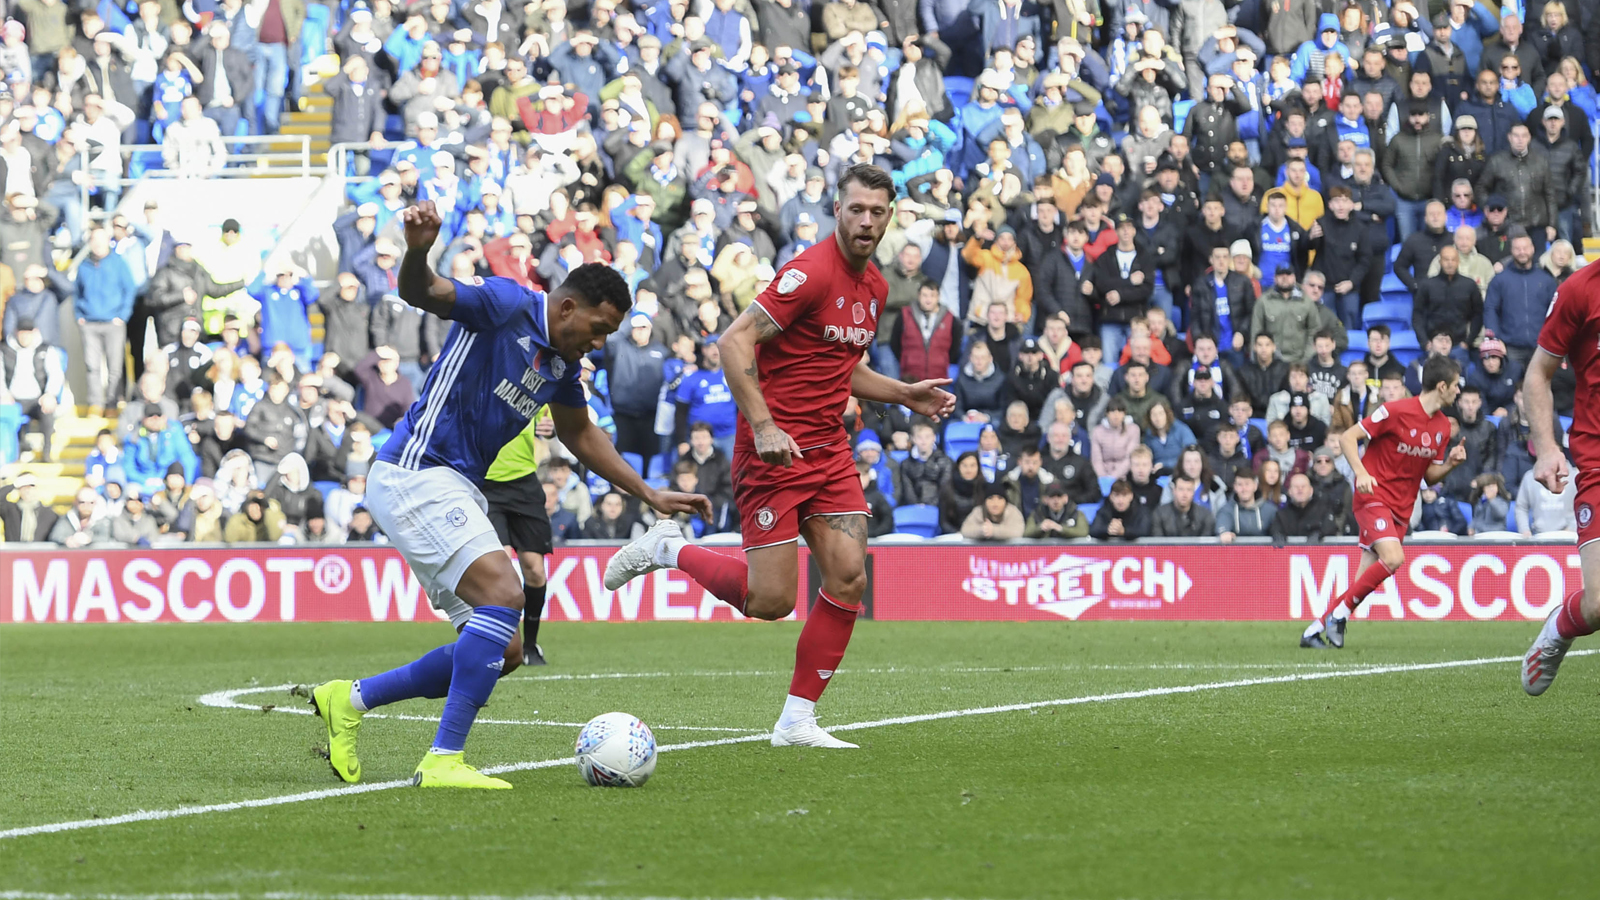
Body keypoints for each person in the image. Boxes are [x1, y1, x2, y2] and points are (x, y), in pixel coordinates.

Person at [308, 201, 708, 791]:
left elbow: (579, 434)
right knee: (505, 590)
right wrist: (418, 249)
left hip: (454, 484)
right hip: (415, 470)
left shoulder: (563, 365)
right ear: (567, 307)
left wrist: (647, 492)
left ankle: (350, 700)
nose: (597, 343)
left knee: (507, 646)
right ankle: (444, 759)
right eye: (597, 328)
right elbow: (424, 292)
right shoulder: (506, 303)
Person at [603, 165, 955, 749]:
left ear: (890, 217)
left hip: (828, 449)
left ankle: (796, 721)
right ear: (836, 212)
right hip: (775, 451)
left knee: (848, 578)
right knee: (770, 602)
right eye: (856, 209)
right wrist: (763, 425)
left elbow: (842, 366)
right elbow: (734, 341)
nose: (866, 220)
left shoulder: (876, 288)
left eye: (877, 211)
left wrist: (903, 393)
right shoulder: (809, 273)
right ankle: (668, 546)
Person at [1301, 356, 1466, 650]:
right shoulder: (1394, 410)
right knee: (1393, 558)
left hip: (1402, 507)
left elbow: (1428, 475)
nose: (1458, 391)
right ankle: (1339, 615)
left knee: (1363, 580)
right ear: (1442, 386)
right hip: (1372, 496)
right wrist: (1361, 472)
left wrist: (1451, 463)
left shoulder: (1442, 427)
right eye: (1456, 385)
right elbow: (1349, 438)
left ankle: (1313, 631)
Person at [1521, 258, 1600, 692]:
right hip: (1597, 459)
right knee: (1599, 604)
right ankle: (1560, 628)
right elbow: (1538, 373)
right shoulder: (1580, 289)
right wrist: (1548, 448)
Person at [479, 414, 557, 668]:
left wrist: (551, 428)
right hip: (486, 485)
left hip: (524, 486)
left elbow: (551, 421)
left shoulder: (529, 386)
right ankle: (502, 644)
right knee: (499, 569)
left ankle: (530, 645)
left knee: (534, 570)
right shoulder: (477, 387)